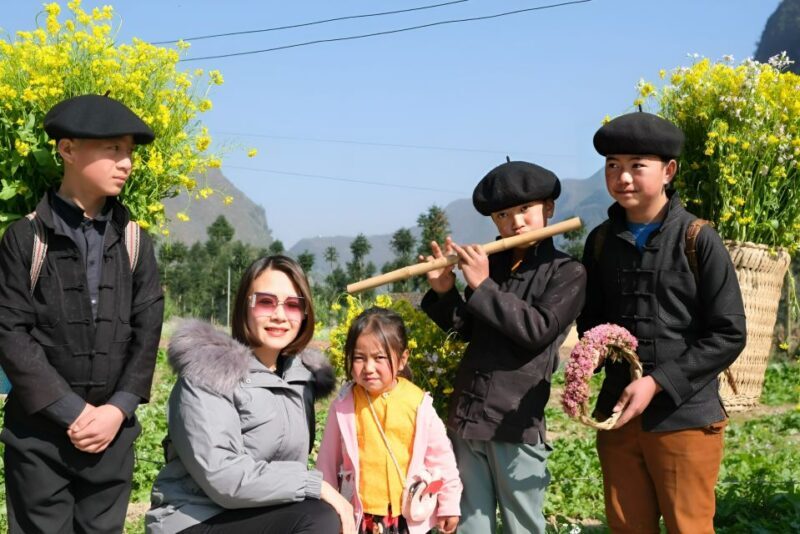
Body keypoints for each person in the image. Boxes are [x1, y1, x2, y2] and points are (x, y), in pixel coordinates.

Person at [0, 94, 164, 533]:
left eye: (129, 152)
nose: (125, 162)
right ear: (67, 150)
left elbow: (148, 332)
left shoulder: (135, 242)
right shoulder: (25, 238)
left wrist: (117, 410)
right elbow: (10, 332)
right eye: (113, 149)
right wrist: (72, 411)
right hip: (38, 440)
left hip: (112, 439)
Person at [577, 111, 747, 533]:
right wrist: (591, 354)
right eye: (613, 165)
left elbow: (729, 333)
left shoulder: (698, 239)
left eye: (638, 165)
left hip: (685, 418)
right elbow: (591, 319)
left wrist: (656, 382)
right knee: (627, 526)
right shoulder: (600, 242)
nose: (623, 177)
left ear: (668, 171)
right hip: (619, 417)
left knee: (688, 527)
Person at [420, 161, 587, 534]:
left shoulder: (567, 272)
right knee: (469, 526)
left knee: (521, 526)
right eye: (503, 214)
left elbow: (536, 331)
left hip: (515, 421)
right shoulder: (489, 265)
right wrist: (443, 291)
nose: (516, 222)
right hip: (468, 415)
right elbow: (466, 329)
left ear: (549, 209)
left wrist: (482, 287)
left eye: (525, 210)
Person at [146, 255, 355, 534]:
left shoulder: (300, 379)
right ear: (245, 305)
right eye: (266, 302)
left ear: (305, 314)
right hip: (196, 518)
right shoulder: (209, 372)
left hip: (254, 516)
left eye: (293, 305)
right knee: (317, 517)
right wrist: (313, 484)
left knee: (322, 514)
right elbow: (222, 477)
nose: (280, 315)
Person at [317, 307, 462, 534]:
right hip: (359, 516)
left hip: (404, 515)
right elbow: (326, 462)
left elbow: (442, 459)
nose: (369, 368)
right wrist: (329, 508)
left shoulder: (418, 404)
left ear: (402, 358)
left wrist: (449, 504)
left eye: (379, 358)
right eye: (359, 358)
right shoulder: (344, 406)